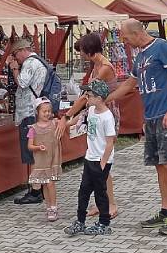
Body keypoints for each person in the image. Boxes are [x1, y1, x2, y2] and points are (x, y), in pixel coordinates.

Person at [62, 19, 167, 236]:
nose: (125, 42)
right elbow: (129, 84)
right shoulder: (140, 56)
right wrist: (104, 99)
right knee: (159, 164)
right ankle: (165, 210)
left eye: (126, 38)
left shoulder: (162, 47)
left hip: (166, 114)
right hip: (151, 115)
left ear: (137, 33)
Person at [63, 80, 116, 237]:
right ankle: (80, 221)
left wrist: (103, 162)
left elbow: (110, 142)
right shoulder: (91, 110)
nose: (87, 98)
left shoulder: (107, 117)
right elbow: (78, 119)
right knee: (83, 191)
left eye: (90, 95)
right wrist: (65, 123)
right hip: (90, 157)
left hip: (100, 160)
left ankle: (104, 223)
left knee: (100, 192)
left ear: (99, 98)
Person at [76, 33, 120, 219]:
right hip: (97, 112)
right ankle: (100, 202)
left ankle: (111, 204)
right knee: (95, 161)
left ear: (88, 51)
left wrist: (70, 114)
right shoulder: (95, 65)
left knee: (104, 161)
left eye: (81, 51)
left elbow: (88, 94)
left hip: (107, 113)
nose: (80, 54)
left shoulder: (104, 67)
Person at [6, 38, 49, 205]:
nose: (16, 59)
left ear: (23, 50)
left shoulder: (30, 63)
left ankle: (35, 191)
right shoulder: (39, 61)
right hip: (34, 111)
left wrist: (15, 69)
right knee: (36, 151)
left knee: (31, 152)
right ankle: (40, 187)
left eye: (16, 55)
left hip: (28, 112)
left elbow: (22, 83)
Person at [26, 98, 63, 222]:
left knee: (50, 184)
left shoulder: (54, 124)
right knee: (45, 185)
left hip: (52, 160)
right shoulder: (33, 129)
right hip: (41, 161)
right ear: (37, 112)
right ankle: (48, 207)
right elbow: (29, 146)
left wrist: (79, 116)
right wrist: (38, 147)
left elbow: (67, 123)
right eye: (44, 111)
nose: (47, 113)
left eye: (49, 111)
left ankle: (54, 207)